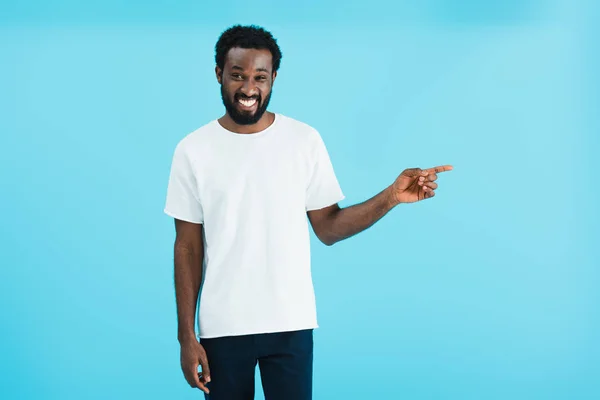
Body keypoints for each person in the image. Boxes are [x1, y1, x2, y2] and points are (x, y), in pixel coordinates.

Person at [164, 24, 452, 400]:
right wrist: (186, 335)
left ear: (273, 79)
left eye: (259, 77)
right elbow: (187, 247)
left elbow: (328, 227)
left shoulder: (303, 141)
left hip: (291, 323)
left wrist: (390, 197)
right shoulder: (193, 150)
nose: (249, 88)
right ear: (219, 73)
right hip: (222, 328)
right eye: (237, 75)